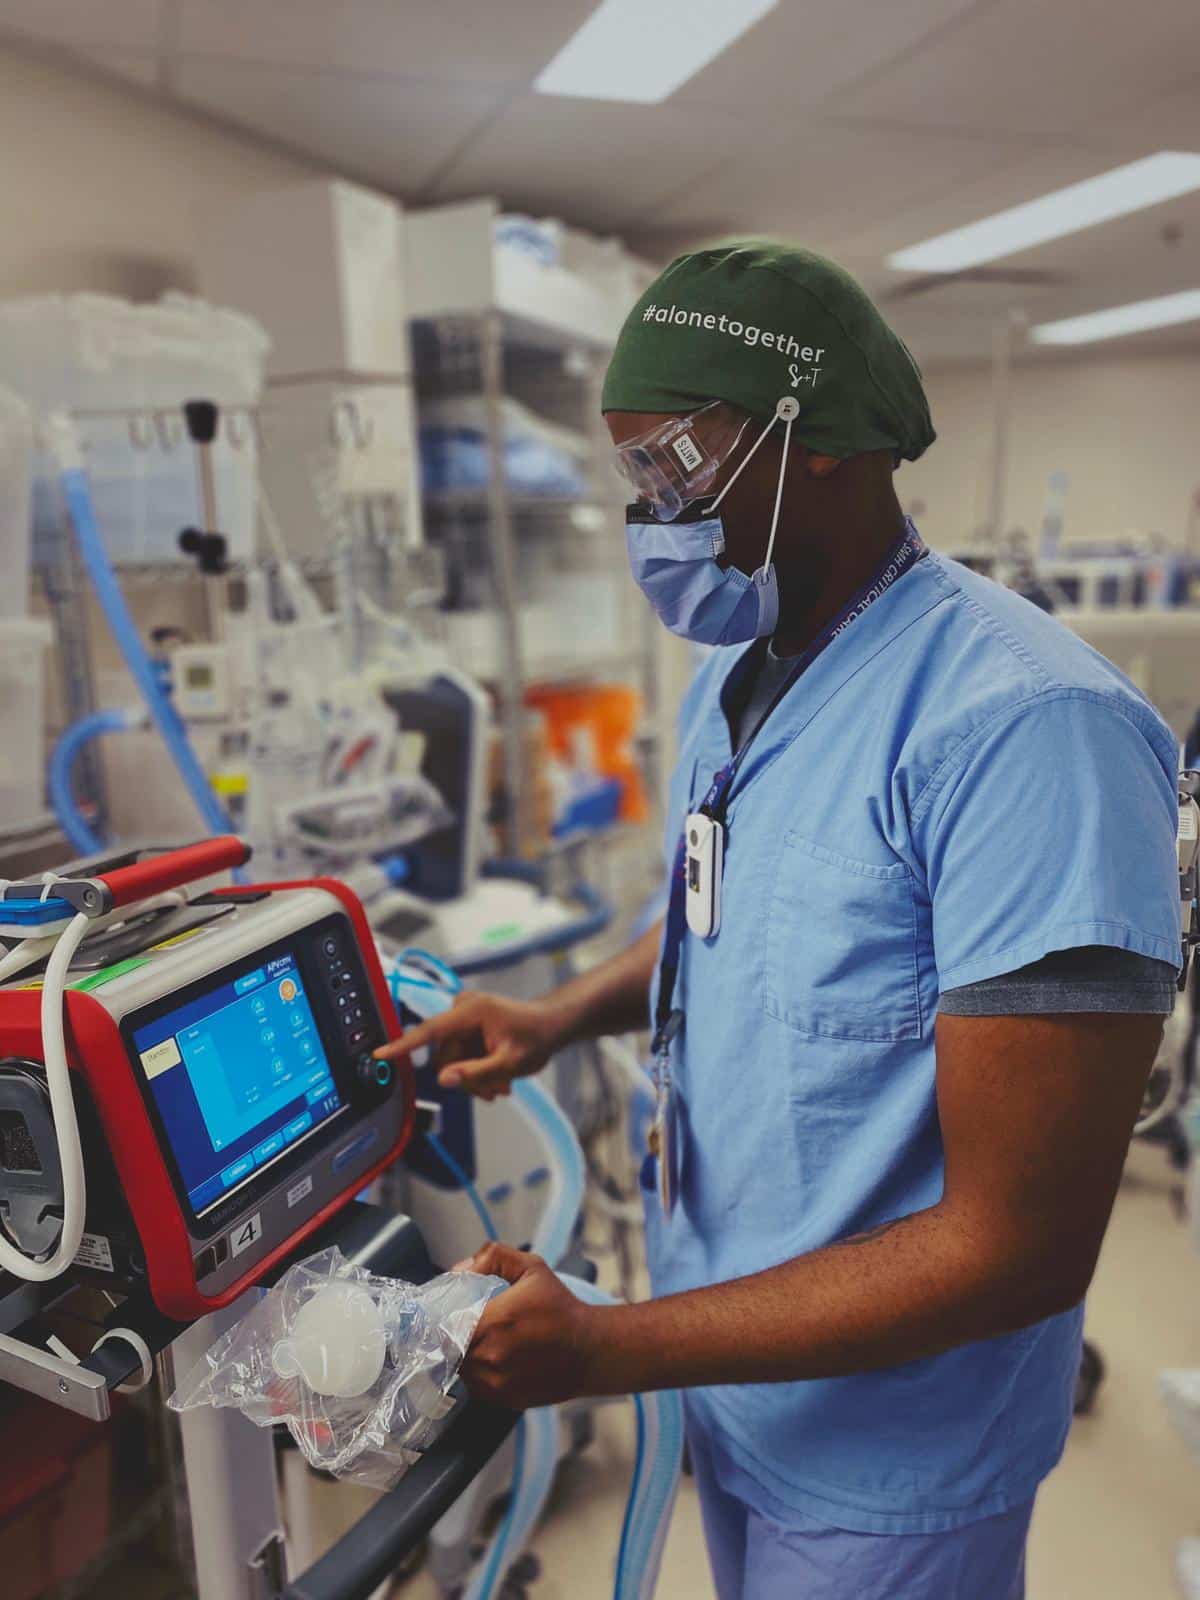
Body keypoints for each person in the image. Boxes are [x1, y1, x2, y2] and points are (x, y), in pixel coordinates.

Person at [377, 243, 1182, 1598]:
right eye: (633, 476)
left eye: (676, 471)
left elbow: (1017, 1245)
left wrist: (612, 1346)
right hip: (746, 1371)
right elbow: (729, 921)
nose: (651, 516)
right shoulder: (748, 675)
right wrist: (560, 1011)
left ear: (814, 442)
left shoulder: (1025, 730)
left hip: (893, 1454)